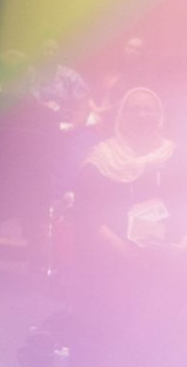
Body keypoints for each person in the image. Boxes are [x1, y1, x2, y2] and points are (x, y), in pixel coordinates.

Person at [70, 87, 187, 365]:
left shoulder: (176, 156)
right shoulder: (103, 158)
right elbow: (85, 213)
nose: (143, 114)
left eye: (149, 109)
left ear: (160, 115)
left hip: (170, 251)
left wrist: (180, 246)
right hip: (111, 251)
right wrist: (123, 249)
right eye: (135, 108)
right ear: (123, 115)